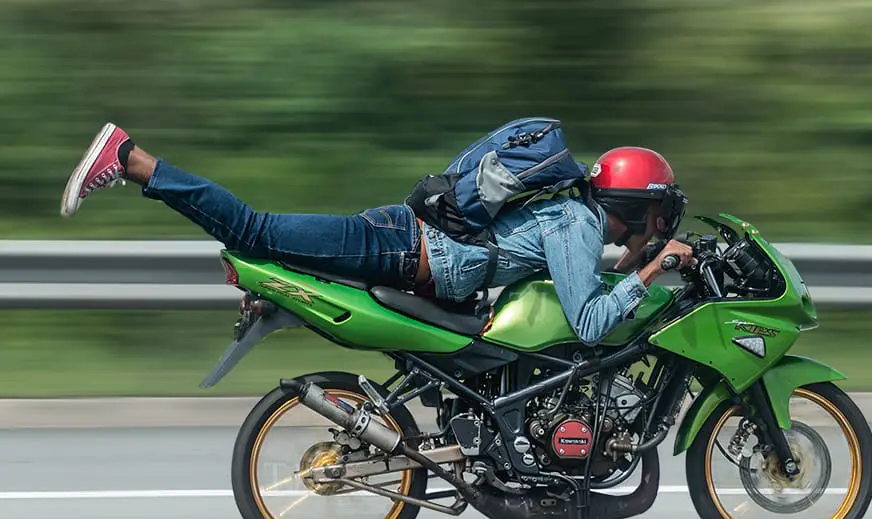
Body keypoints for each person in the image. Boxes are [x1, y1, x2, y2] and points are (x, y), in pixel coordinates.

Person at [60, 123, 695, 346]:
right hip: (402, 246)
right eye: (658, 214)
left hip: (410, 246)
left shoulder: (573, 219)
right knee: (254, 229)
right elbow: (589, 323)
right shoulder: (577, 225)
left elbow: (580, 267)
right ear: (636, 206)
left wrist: (635, 259)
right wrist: (651, 269)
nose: (662, 227)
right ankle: (134, 160)